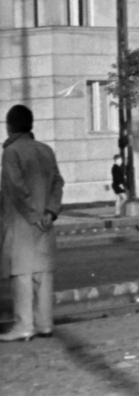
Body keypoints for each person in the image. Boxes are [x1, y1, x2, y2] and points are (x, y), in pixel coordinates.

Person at [1, 104, 64, 341]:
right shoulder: (46, 150)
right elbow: (58, 182)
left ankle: (24, 325)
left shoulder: (11, 152)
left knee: (22, 274)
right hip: (46, 222)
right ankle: (44, 323)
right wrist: (50, 211)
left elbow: (16, 188)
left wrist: (33, 215)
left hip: (21, 222)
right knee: (43, 274)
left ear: (10, 127)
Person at [111, 152, 127, 217]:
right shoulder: (116, 168)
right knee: (124, 197)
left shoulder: (115, 167)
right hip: (118, 185)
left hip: (115, 185)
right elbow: (117, 177)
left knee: (117, 199)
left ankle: (117, 213)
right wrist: (121, 184)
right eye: (120, 160)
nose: (121, 162)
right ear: (117, 160)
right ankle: (117, 210)